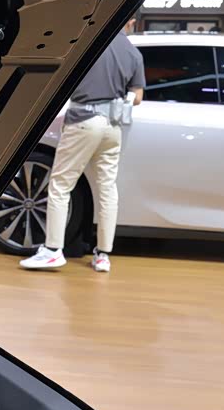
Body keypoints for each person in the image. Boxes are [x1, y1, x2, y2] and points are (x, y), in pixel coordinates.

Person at [19, 18, 146, 273]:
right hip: (113, 126)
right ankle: (103, 255)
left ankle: (53, 250)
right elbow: (138, 98)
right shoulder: (133, 53)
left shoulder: (87, 43)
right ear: (131, 22)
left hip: (83, 121)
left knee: (60, 185)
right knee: (107, 188)